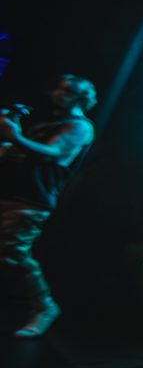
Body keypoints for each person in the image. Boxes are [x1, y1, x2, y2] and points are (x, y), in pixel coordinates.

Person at [0, 74, 96, 337]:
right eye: (58, 89)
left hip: (31, 198)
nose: (57, 94)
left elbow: (53, 154)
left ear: (79, 98)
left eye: (66, 91)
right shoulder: (48, 124)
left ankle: (44, 306)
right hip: (10, 191)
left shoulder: (79, 127)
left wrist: (15, 136)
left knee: (12, 254)